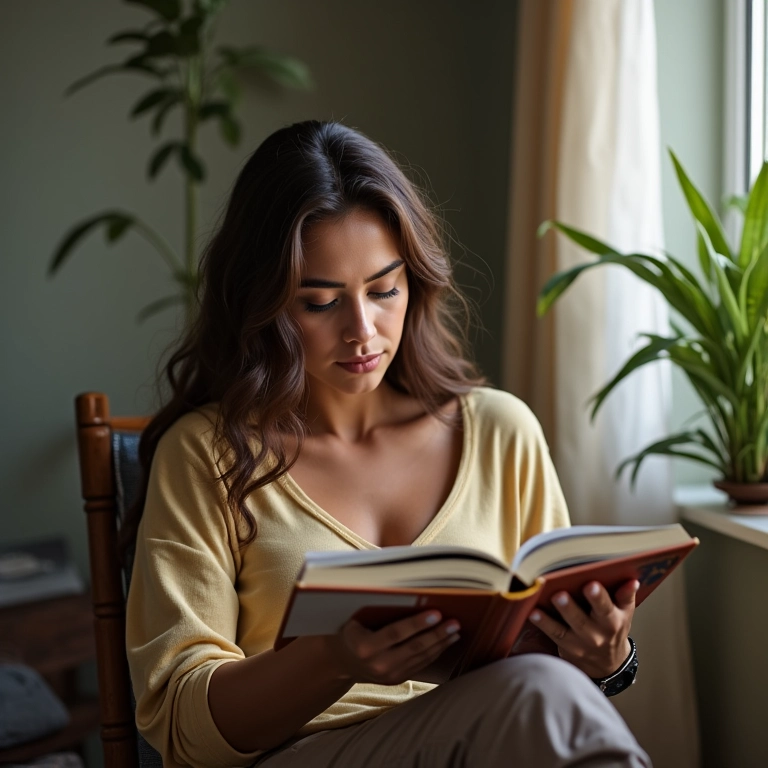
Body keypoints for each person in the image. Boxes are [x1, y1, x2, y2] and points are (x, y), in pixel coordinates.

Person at [124, 120, 651, 768]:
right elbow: (181, 727)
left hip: (484, 743)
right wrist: (331, 660)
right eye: (319, 303)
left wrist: (606, 658)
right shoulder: (207, 455)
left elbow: (560, 693)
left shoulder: (499, 432)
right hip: (297, 756)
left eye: (383, 290)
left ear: (416, 282)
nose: (362, 330)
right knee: (533, 694)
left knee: (540, 691)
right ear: (262, 304)